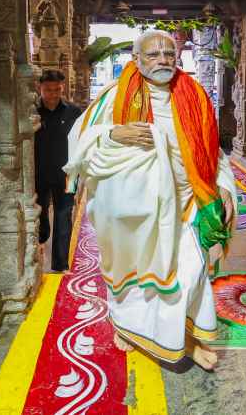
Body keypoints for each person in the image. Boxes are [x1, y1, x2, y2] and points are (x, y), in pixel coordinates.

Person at [64, 30, 237, 371]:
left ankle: (184, 339)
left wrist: (225, 187)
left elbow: (211, 150)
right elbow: (78, 140)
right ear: (137, 60)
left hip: (187, 202)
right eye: (153, 55)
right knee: (135, 277)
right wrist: (113, 133)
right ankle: (130, 327)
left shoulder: (195, 96)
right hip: (132, 211)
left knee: (190, 272)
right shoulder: (114, 97)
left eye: (168, 54)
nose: (162, 60)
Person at [35, 69, 83, 272]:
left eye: (57, 89)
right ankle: (41, 238)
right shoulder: (32, 111)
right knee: (40, 214)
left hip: (67, 174)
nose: (53, 94)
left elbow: (82, 140)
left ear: (62, 88)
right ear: (40, 88)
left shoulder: (73, 112)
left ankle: (60, 265)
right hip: (37, 174)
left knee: (64, 215)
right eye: (48, 90)